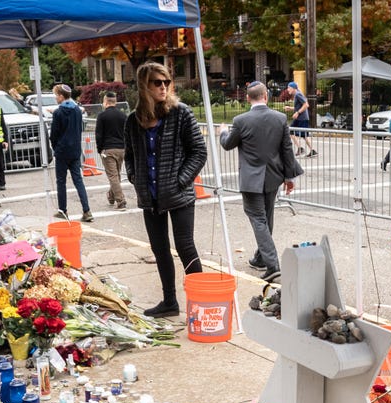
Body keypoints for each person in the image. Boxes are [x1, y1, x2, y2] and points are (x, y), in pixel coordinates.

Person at [124, 62, 207, 318]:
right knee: (160, 249)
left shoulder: (180, 113)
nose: (163, 87)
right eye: (156, 83)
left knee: (185, 246)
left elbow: (199, 152)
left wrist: (180, 180)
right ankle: (170, 302)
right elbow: (130, 154)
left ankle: (202, 302)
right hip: (150, 197)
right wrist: (135, 177)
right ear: (143, 86)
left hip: (179, 195)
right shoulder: (133, 120)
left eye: (166, 82)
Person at [219, 80, 304, 282]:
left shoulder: (240, 120)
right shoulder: (280, 118)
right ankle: (259, 258)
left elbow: (227, 144)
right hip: (273, 177)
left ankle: (272, 264)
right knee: (266, 217)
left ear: (248, 98)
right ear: (266, 96)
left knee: (259, 220)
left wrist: (223, 132)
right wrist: (289, 177)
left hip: (251, 179)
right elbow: (287, 150)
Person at [49, 84, 93, 222]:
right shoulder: (77, 111)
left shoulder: (58, 113)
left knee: (61, 182)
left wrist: (55, 147)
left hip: (62, 150)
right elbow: (80, 129)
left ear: (61, 96)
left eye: (56, 95)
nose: (56, 98)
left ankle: (63, 210)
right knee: (78, 181)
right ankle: (87, 210)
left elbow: (54, 134)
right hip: (75, 150)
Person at [95, 91, 128, 210]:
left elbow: (99, 135)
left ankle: (121, 201)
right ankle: (111, 196)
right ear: (115, 102)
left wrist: (100, 149)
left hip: (108, 150)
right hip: (121, 149)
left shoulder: (102, 116)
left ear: (106, 101)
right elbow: (126, 133)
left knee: (113, 176)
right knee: (116, 175)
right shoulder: (123, 116)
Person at [286, 81, 316, 157]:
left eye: (289, 87)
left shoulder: (298, 94)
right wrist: (291, 108)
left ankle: (312, 150)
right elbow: (299, 107)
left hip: (302, 118)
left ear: (293, 88)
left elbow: (306, 105)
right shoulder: (297, 94)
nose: (287, 89)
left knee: (304, 135)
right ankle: (300, 148)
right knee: (291, 132)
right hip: (299, 118)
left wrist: (297, 113)